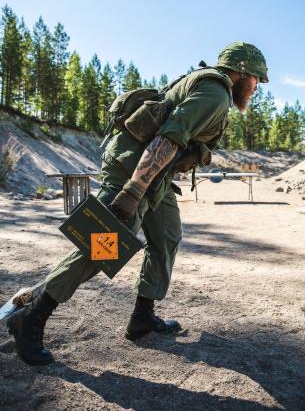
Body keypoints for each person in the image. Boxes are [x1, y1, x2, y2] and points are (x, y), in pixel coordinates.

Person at [7, 41, 269, 366]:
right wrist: (132, 192)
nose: (257, 87)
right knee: (103, 244)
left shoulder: (208, 85)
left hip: (154, 177)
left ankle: (143, 316)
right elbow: (168, 138)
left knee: (167, 236)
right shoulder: (217, 92)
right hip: (136, 170)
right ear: (242, 72)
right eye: (257, 79)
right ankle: (31, 316)